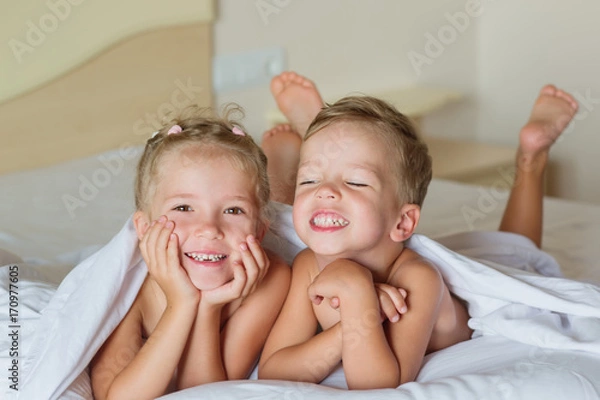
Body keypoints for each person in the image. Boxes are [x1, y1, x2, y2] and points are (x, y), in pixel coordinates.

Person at [258, 71, 579, 389]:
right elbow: (274, 371)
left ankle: (531, 160)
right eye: (309, 180)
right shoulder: (307, 267)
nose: (324, 191)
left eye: (355, 181)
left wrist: (357, 295)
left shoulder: (416, 280)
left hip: (471, 300)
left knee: (515, 252)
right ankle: (320, 139)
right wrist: (345, 329)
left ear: (403, 223)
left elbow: (377, 383)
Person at [89, 107, 291, 399]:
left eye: (234, 210)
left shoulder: (270, 277)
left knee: (283, 207)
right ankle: (283, 162)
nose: (209, 229)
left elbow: (204, 393)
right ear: (145, 228)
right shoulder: (131, 286)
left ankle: (284, 165)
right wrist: (181, 304)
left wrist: (208, 308)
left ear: (259, 233)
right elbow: (117, 396)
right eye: (183, 208)